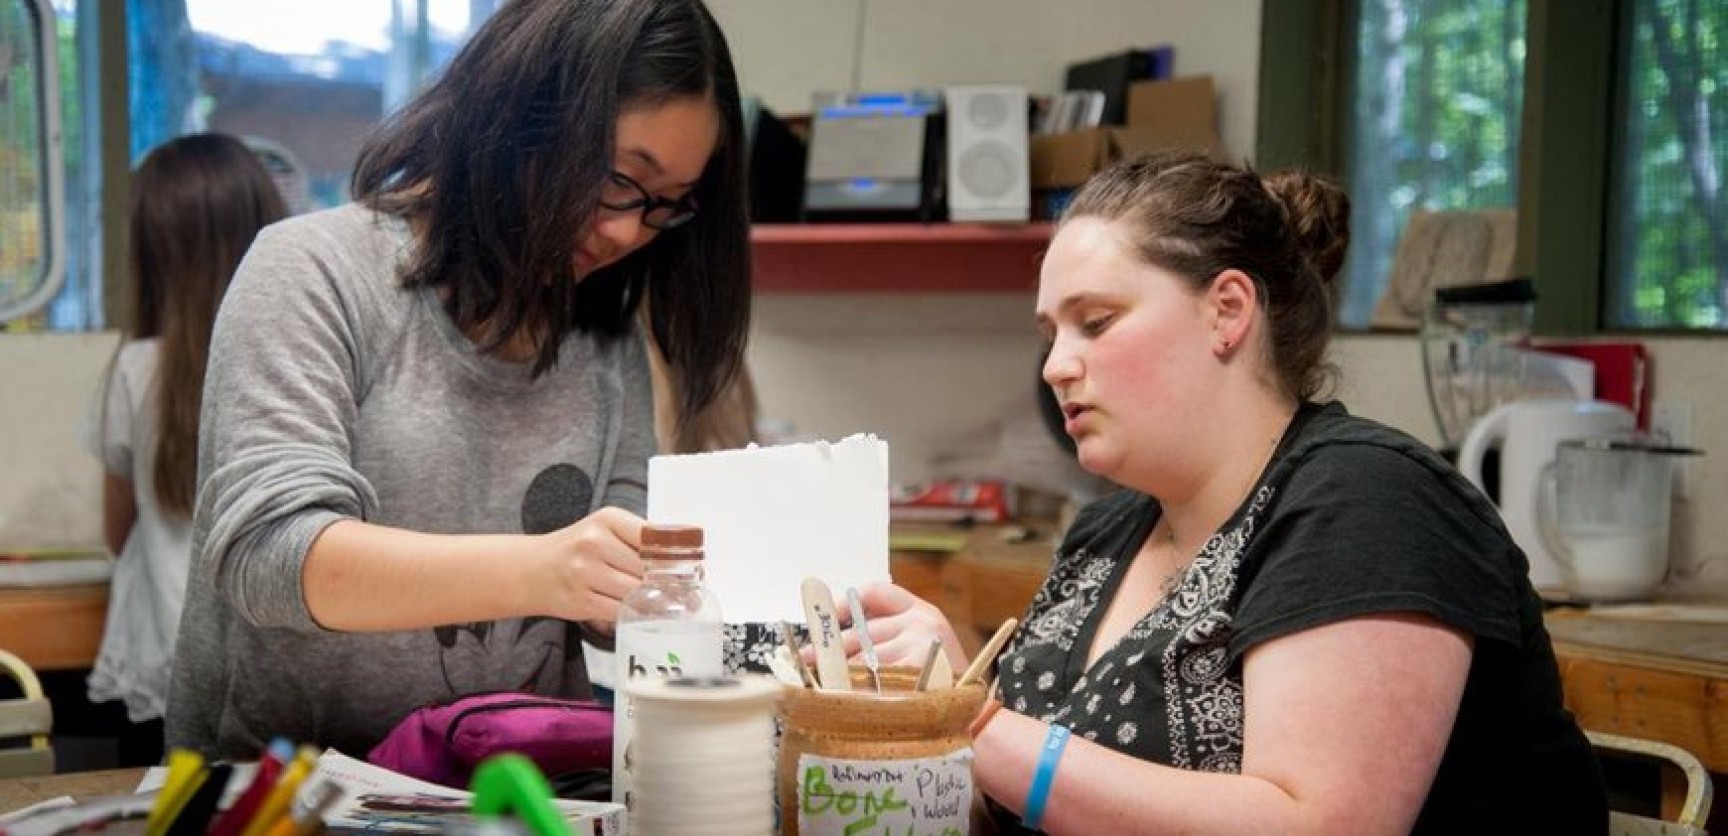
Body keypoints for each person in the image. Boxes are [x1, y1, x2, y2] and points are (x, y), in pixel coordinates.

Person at [850, 152, 1607, 834]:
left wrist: (973, 723)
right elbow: (1019, 805)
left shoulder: (1371, 503)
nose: (1056, 366)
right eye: (1053, 334)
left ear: (1228, 311)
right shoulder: (1104, 534)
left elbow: (1319, 827)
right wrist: (922, 723)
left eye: (1095, 322)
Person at [165, 0, 752, 760]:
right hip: (293, 793)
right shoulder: (313, 272)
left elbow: (613, 584)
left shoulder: (603, 337)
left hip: (509, 789)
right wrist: (550, 571)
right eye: (618, 180)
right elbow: (273, 555)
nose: (627, 232)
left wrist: (657, 596)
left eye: (667, 206)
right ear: (519, 113)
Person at [85, 132, 286, 763]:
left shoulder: (135, 370)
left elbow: (117, 533)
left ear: (149, 250)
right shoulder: (293, 361)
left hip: (163, 661)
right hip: (269, 665)